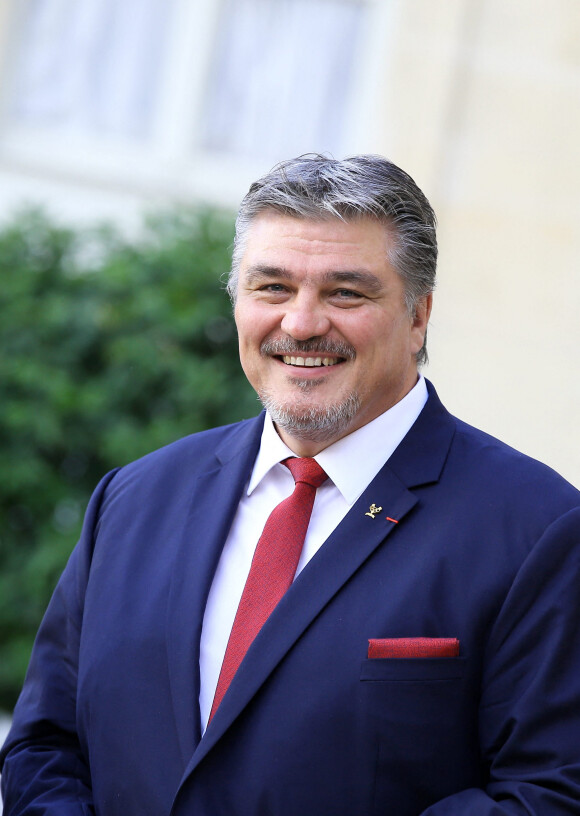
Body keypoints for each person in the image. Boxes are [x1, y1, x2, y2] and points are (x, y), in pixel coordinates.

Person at [1, 155, 580, 816]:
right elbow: (45, 746)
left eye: (346, 293)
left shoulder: (540, 532)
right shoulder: (132, 501)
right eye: (272, 287)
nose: (301, 324)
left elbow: (549, 795)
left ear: (419, 316)